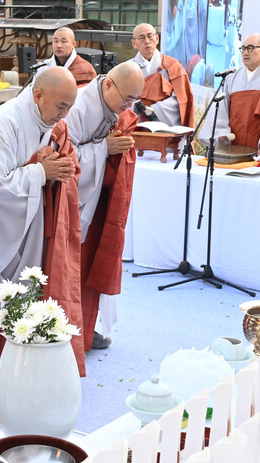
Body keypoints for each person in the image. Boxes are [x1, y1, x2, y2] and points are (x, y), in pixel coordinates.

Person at [0, 67, 80, 408]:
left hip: (22, 222)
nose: (65, 115)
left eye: (69, 107)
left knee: (18, 293)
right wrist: (41, 171)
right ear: (38, 95)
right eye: (61, 106)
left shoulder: (44, 123)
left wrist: (48, 168)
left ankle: (8, 369)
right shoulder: (1, 124)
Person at [65, 62, 144, 354]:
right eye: (126, 100)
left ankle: (87, 326)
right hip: (72, 200)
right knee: (72, 267)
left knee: (94, 262)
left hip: (95, 195)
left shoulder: (113, 104)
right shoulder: (78, 106)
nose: (127, 107)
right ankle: (69, 332)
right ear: (108, 84)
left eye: (134, 101)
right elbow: (62, 153)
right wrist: (104, 149)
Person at [198, 33, 260, 158]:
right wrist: (221, 133)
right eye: (242, 49)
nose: (245, 53)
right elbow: (221, 107)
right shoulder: (232, 77)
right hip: (232, 145)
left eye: (250, 48)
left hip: (258, 146)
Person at [129, 23, 195, 129]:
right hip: (135, 128)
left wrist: (153, 110)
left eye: (150, 36)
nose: (147, 41)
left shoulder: (173, 66)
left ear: (157, 39)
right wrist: (134, 108)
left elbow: (181, 99)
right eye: (141, 38)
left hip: (165, 130)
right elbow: (118, 99)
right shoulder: (127, 68)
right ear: (134, 43)